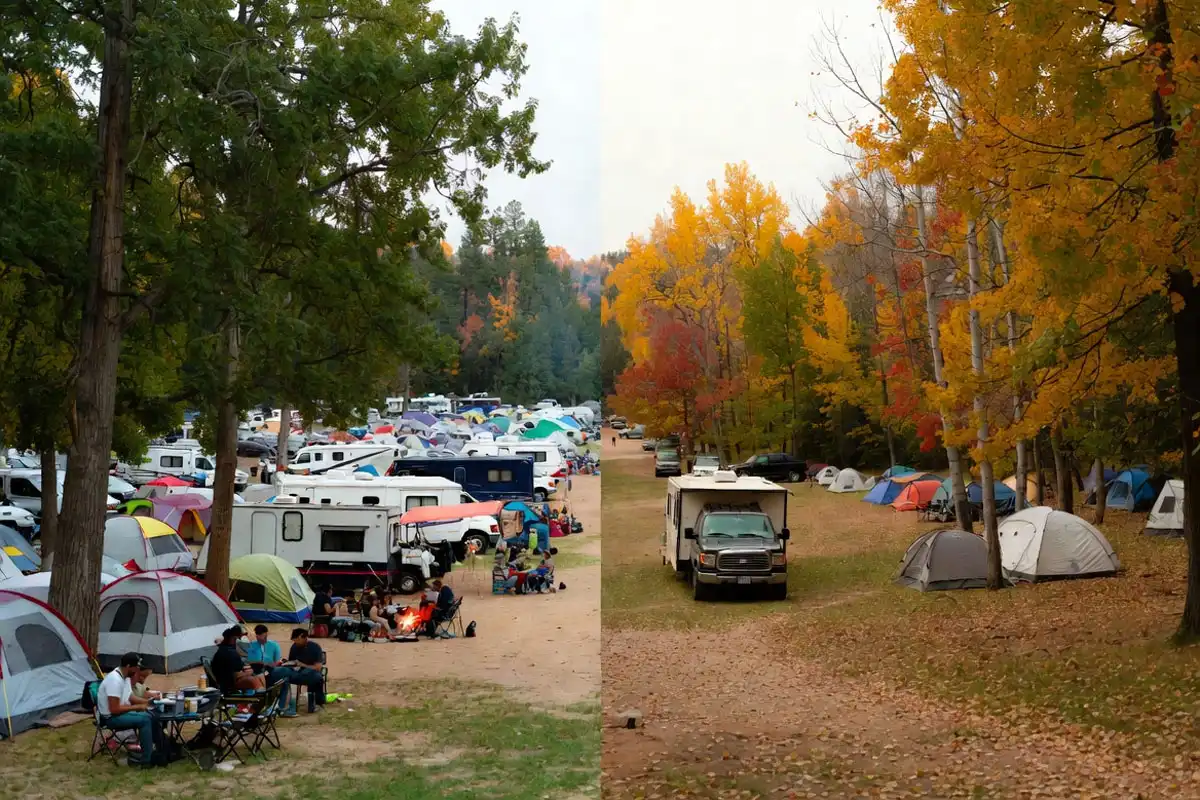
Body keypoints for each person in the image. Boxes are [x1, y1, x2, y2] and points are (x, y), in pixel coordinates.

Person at [97, 652, 157, 767]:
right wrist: (137, 707)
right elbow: (114, 709)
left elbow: (130, 697)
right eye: (136, 667)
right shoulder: (114, 680)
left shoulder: (125, 677)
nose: (138, 670)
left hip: (119, 714)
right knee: (145, 720)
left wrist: (149, 702)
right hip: (110, 718)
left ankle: (157, 750)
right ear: (129, 666)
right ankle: (146, 761)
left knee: (152, 714)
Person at [245, 624, 293, 712]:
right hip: (255, 672)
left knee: (285, 677)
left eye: (265, 636)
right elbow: (247, 661)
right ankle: (280, 706)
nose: (264, 639)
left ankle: (283, 707)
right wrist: (259, 662)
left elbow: (277, 662)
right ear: (257, 636)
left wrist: (271, 664)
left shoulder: (274, 645)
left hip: (270, 671)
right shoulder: (251, 645)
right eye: (262, 637)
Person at [212, 626, 266, 693]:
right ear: (234, 638)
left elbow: (236, 669)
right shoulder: (231, 653)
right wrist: (250, 672)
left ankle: (261, 692)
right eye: (240, 637)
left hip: (225, 678)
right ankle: (262, 694)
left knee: (254, 674)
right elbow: (236, 673)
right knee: (254, 679)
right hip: (228, 683)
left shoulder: (223, 649)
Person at [285, 629, 326, 713]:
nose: (295, 642)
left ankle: (315, 703)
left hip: (312, 672)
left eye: (297, 640)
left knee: (315, 677)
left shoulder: (315, 647)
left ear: (304, 638)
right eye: (294, 640)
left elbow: (318, 668)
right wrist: (287, 663)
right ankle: (287, 704)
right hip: (298, 672)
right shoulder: (294, 647)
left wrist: (302, 665)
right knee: (284, 676)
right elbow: (292, 662)